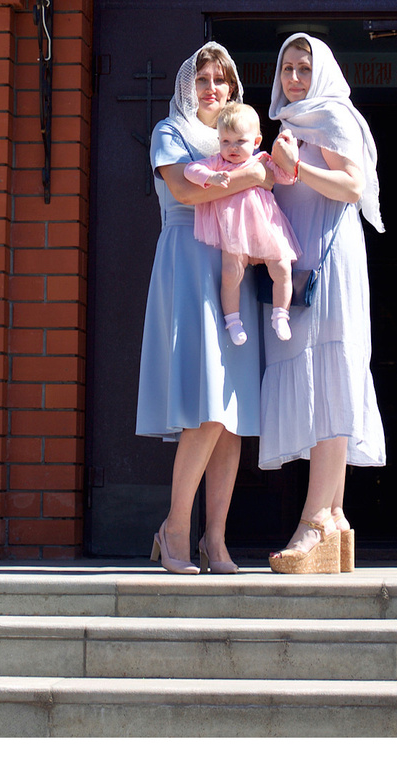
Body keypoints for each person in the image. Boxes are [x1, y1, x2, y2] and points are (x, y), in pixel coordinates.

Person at [138, 43, 273, 575]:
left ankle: (214, 540)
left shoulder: (241, 132)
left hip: (233, 268)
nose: (212, 89)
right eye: (201, 79)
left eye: (221, 79)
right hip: (189, 264)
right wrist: (252, 176)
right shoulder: (170, 132)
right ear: (185, 86)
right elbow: (184, 192)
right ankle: (174, 528)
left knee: (232, 417)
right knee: (208, 405)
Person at [259, 32, 386, 574]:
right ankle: (332, 517)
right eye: (286, 68)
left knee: (330, 381)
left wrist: (295, 168)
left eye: (303, 69)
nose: (293, 79)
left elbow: (352, 185)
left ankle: (316, 520)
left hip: (329, 271)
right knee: (320, 384)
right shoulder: (294, 125)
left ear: (323, 73)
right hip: (302, 269)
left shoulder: (331, 117)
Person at [181, 101, 302, 347]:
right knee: (231, 273)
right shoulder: (218, 163)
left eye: (240, 141)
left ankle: (281, 314)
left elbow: (288, 178)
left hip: (266, 226)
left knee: (281, 267)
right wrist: (211, 177)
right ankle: (233, 321)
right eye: (225, 141)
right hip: (234, 232)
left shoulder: (263, 161)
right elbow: (190, 170)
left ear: (256, 142)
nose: (232, 148)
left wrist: (288, 148)